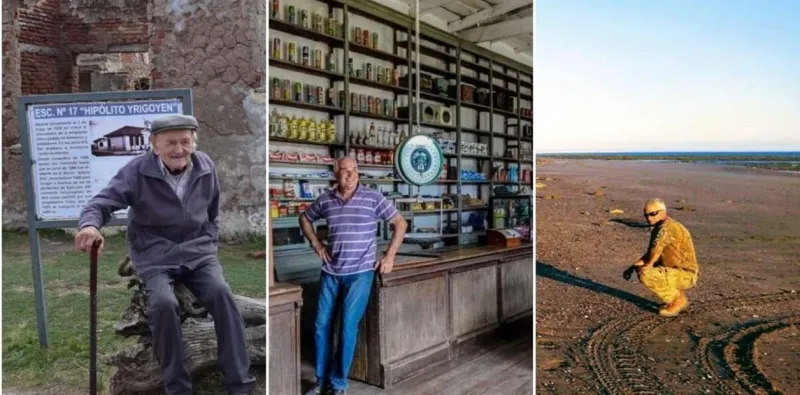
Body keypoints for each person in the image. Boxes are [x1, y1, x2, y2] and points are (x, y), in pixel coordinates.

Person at [74, 114, 255, 395]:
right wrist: (89, 226)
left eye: (185, 141)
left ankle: (239, 384)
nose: (179, 149)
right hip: (155, 254)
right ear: (154, 144)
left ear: (194, 142)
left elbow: (213, 212)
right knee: (163, 305)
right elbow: (101, 203)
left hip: (198, 253)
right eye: (170, 142)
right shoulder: (136, 171)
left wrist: (209, 243)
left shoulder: (205, 166)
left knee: (222, 297)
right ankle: (177, 387)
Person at [300, 157, 408, 395]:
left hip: (360, 273)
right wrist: (317, 244)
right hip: (331, 272)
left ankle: (339, 383)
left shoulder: (373, 198)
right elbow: (305, 218)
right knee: (321, 326)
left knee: (348, 327)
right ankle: (320, 380)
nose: (350, 175)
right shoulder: (326, 200)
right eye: (345, 171)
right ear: (335, 174)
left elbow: (400, 223)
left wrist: (389, 256)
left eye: (354, 170)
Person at [623, 198, 700, 317]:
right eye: (646, 215)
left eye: (653, 214)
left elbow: (656, 250)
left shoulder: (668, 228)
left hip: (685, 274)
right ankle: (675, 297)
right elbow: (650, 254)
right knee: (642, 269)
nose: (649, 218)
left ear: (663, 211)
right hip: (672, 270)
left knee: (645, 273)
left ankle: (677, 300)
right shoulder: (659, 228)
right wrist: (632, 267)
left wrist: (647, 266)